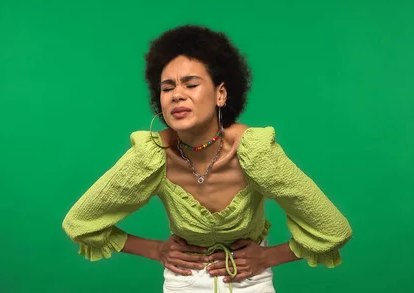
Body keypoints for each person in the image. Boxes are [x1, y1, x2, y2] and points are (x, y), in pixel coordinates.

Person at [61, 25, 352, 293]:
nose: (177, 95)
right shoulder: (152, 157)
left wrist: (267, 256)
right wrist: (156, 250)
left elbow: (332, 229)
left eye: (190, 84)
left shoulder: (255, 153)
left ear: (221, 94)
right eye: (167, 87)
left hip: (250, 283)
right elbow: (81, 222)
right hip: (183, 283)